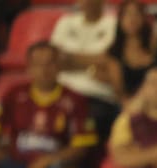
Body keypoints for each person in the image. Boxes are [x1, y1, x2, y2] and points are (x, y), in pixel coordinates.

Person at [0, 41, 98, 168]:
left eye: (50, 63)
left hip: (53, 166)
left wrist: (44, 162)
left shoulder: (75, 100)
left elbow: (81, 148)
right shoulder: (14, 94)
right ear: (29, 67)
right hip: (16, 163)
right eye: (38, 64)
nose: (44, 70)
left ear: (59, 66)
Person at [49, 0, 121, 136]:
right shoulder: (66, 22)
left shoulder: (114, 24)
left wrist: (70, 60)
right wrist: (93, 63)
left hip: (97, 95)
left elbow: (108, 60)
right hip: (61, 93)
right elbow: (55, 58)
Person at [107, 0, 157, 101]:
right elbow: (120, 92)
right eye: (127, 14)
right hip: (132, 104)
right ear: (120, 19)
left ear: (144, 17)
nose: (132, 19)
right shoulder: (115, 51)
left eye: (136, 13)